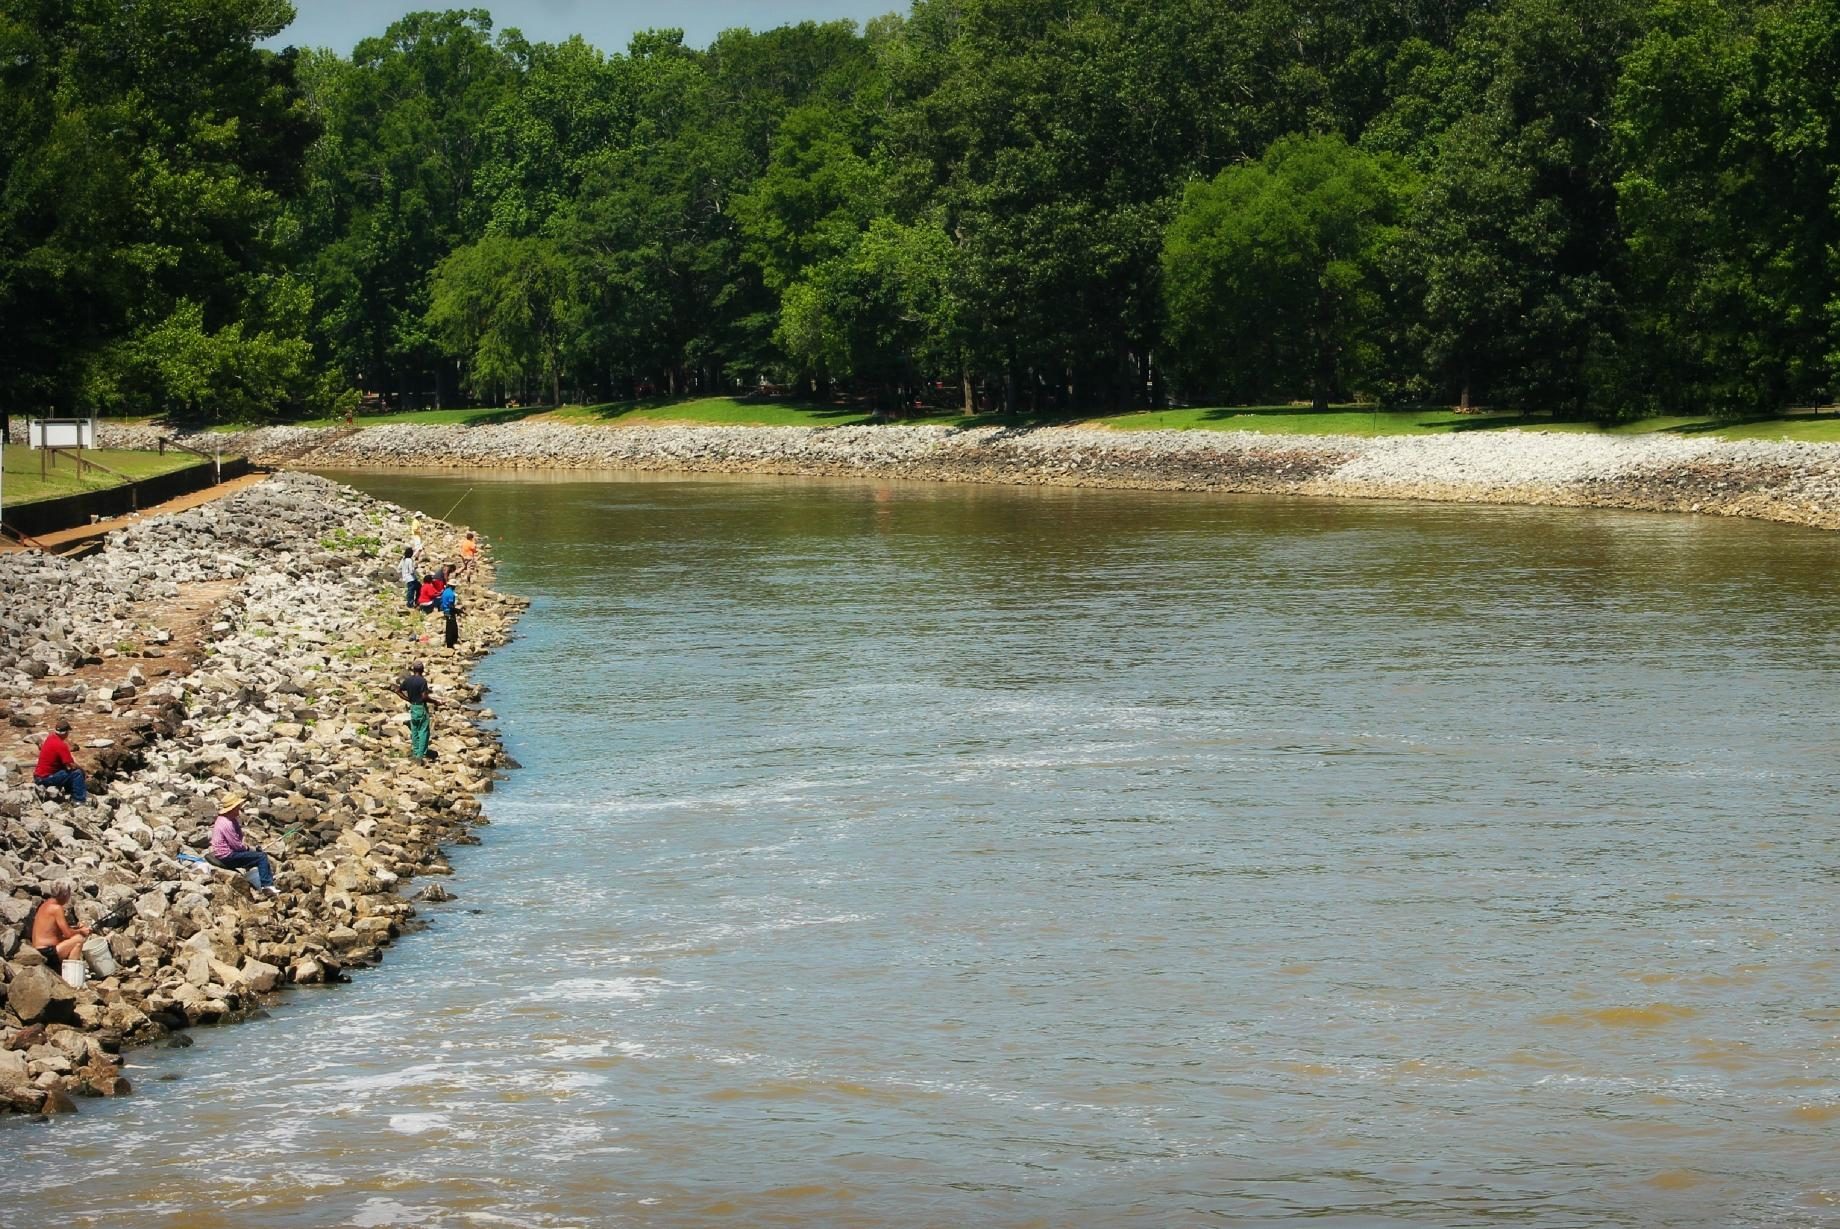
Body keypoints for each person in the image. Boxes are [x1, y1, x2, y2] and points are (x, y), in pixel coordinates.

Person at [209, 793, 280, 895]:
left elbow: (239, 838)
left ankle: (264, 881)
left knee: (255, 856)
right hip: (227, 856)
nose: (239, 810)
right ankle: (267, 886)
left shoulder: (229, 819)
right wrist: (250, 849)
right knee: (261, 857)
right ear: (231, 809)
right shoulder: (226, 823)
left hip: (227, 853)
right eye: (237, 808)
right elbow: (236, 845)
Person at [30, 883, 90, 970]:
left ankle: (63, 968)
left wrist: (77, 928)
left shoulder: (46, 904)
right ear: (64, 895)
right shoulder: (57, 908)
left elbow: (57, 930)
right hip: (47, 952)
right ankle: (71, 974)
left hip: (39, 949)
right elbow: (67, 934)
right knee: (79, 939)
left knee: (73, 937)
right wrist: (81, 931)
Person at [33, 719, 87, 803]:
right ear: (66, 733)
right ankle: (78, 800)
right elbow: (71, 765)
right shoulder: (61, 745)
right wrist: (83, 771)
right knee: (77, 773)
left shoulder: (50, 738)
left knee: (67, 773)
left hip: (38, 776)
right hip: (46, 778)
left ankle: (70, 792)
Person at [397, 661, 437, 760]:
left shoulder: (408, 680)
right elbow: (424, 697)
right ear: (422, 670)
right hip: (421, 707)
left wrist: (407, 699)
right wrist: (435, 702)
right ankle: (421, 754)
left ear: (413, 669)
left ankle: (415, 752)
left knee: (414, 730)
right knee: (423, 731)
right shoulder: (422, 681)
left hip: (413, 707)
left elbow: (398, 691)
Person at [439, 577, 461, 650]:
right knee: (451, 627)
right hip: (449, 611)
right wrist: (457, 611)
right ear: (453, 586)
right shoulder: (451, 594)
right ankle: (450, 643)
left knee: (449, 626)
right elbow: (450, 605)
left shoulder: (445, 591)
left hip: (445, 610)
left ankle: (450, 642)